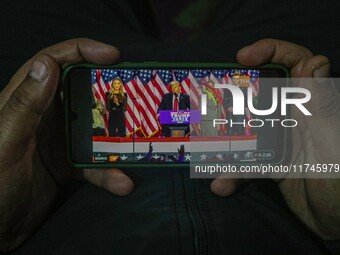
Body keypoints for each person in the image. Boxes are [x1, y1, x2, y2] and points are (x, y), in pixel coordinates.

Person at [0, 1, 339, 254]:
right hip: (276, 207)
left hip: (65, 211)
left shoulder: (193, 99)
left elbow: (191, 115)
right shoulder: (161, 100)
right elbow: (168, 117)